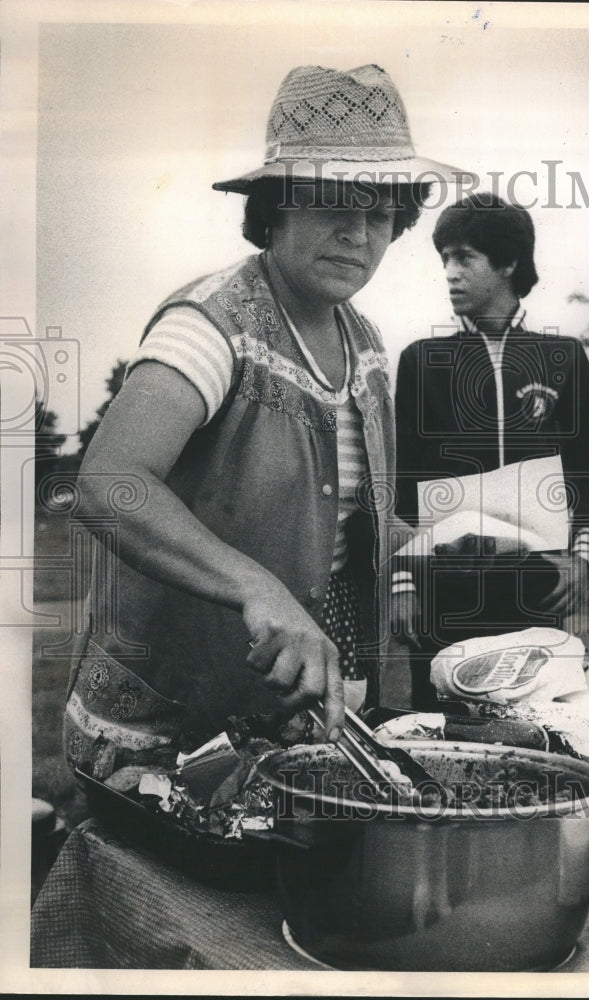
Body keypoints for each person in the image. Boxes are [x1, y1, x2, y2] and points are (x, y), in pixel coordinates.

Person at [63, 64, 461, 767]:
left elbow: (332, 515)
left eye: (379, 213)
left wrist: (446, 541)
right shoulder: (212, 324)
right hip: (171, 715)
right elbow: (108, 483)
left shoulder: (363, 341)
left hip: (293, 706)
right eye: (332, 202)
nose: (357, 232)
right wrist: (257, 587)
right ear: (274, 208)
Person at [392, 193, 589, 709]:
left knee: (531, 718)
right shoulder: (423, 360)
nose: (449, 272)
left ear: (509, 262)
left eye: (464, 257)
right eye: (444, 258)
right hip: (442, 584)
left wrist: (581, 559)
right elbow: (402, 478)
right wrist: (403, 579)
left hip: (532, 583)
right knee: (444, 723)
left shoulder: (561, 356)